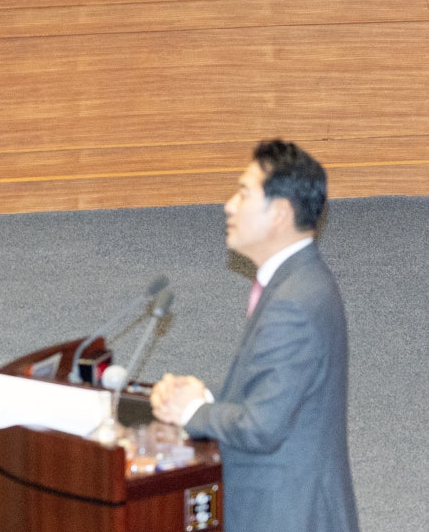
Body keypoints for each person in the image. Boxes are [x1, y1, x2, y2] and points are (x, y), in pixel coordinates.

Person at [150, 139, 360, 532]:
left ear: (280, 213)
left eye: (244, 194)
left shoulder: (293, 303)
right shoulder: (298, 280)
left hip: (285, 514)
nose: (229, 205)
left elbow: (261, 427)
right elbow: (277, 390)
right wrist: (204, 395)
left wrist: (192, 413)